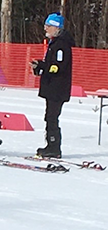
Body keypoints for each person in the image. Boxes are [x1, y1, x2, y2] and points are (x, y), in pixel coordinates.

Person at [30, 12, 74, 158]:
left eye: (48, 26)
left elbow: (57, 66)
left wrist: (43, 67)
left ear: (56, 28)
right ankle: (51, 145)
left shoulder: (61, 45)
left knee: (52, 117)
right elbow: (52, 65)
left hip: (57, 88)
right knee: (49, 116)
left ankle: (54, 148)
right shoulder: (54, 44)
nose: (45, 29)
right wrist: (40, 66)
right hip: (53, 87)